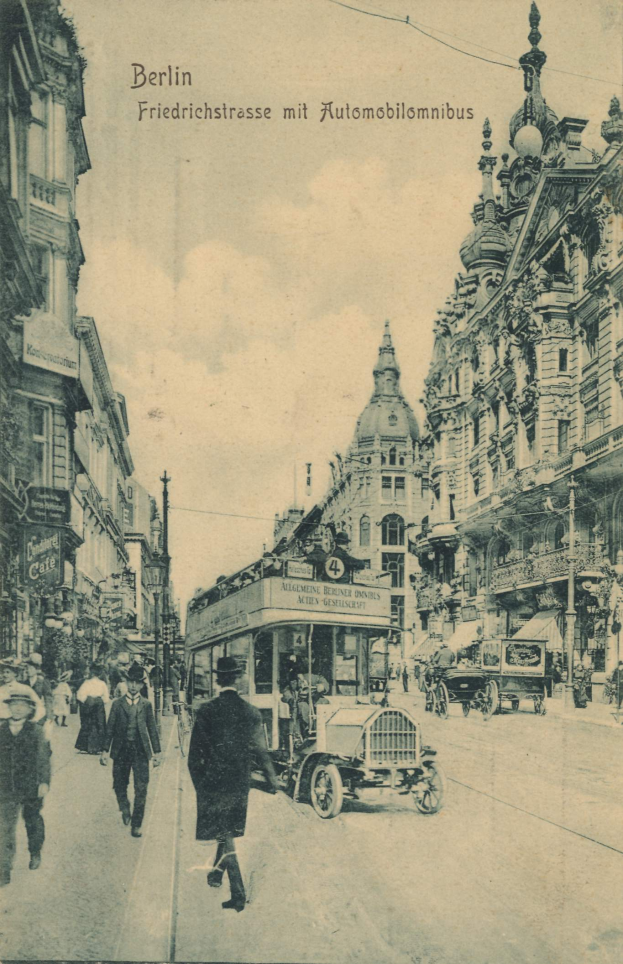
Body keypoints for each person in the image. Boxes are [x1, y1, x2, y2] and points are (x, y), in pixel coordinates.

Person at [187, 656, 279, 913]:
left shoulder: (206, 711)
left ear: (217, 681)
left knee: (226, 833)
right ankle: (216, 874)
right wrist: (272, 779)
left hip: (214, 782)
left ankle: (238, 893)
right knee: (227, 830)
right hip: (239, 783)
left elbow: (194, 757)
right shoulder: (251, 712)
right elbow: (261, 750)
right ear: (238, 680)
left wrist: (201, 786)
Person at [100, 662, 161, 838]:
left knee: (141, 788)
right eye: (131, 682)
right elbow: (110, 728)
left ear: (142, 685)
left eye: (137, 683)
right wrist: (105, 750)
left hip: (141, 751)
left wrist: (157, 753)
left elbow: (152, 729)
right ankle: (124, 807)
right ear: (126, 683)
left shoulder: (146, 705)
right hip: (121, 751)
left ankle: (136, 824)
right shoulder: (117, 704)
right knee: (119, 784)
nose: (134, 686)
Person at [0, 690, 51, 886]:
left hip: (31, 785)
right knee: (4, 827)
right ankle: (4, 868)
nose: (18, 708)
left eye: (22, 705)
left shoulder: (36, 731)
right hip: (5, 786)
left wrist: (44, 782)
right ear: (9, 707)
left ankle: (35, 851)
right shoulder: (1, 729)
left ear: (30, 709)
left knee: (32, 820)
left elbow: (43, 759)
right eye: (14, 704)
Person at [281, 657, 330, 743]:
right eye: (305, 659)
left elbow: (325, 684)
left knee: (324, 703)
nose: (307, 662)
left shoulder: (317, 677)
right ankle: (305, 732)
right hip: (301, 701)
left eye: (310, 659)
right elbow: (287, 691)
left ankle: (323, 730)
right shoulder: (296, 678)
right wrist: (291, 699)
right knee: (302, 707)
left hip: (315, 699)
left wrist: (322, 687)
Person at [75, 664, 109, 754]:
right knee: (99, 724)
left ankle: (86, 746)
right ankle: (98, 747)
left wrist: (86, 701)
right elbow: (106, 697)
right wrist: (101, 701)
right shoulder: (102, 683)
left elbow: (80, 695)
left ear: (92, 673)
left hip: (89, 703)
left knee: (88, 723)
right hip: (99, 704)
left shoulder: (87, 683)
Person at [0, 659, 45, 724]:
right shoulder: (1, 689)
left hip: (18, 724)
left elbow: (39, 705)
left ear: (15, 674)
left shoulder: (24, 688)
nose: (4, 675)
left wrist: (35, 719)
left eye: (8, 672)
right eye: (3, 672)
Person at [25, 654, 53, 721]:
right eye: (26, 668)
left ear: (36, 670)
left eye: (30, 668)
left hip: (39, 713)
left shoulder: (43, 682)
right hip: (26, 714)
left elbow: (48, 699)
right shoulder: (24, 683)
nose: (28, 670)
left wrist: (49, 717)